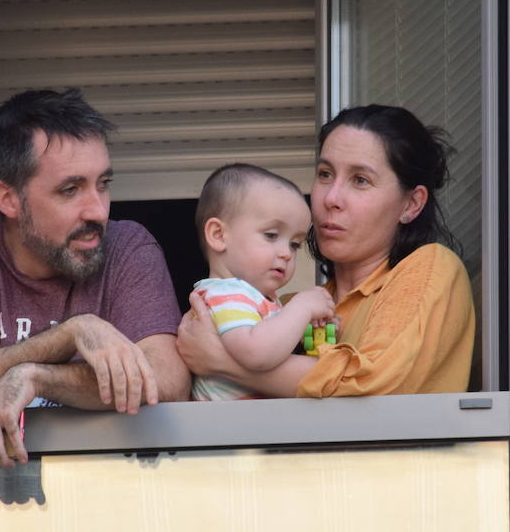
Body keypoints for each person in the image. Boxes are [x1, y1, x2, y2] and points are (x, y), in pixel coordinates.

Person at [0, 88, 190, 476]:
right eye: (70, 190)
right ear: (8, 198)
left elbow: (169, 380)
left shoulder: (128, 246)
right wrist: (72, 334)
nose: (98, 210)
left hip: (108, 484)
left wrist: (37, 377)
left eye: (104, 184)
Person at [177, 104, 474, 397]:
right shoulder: (290, 308)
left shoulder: (430, 266)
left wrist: (224, 363)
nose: (331, 198)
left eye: (360, 180)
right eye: (325, 174)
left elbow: (374, 383)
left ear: (411, 204)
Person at [189, 163, 337, 401]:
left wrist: (307, 332)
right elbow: (256, 353)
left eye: (294, 244)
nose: (287, 253)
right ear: (218, 235)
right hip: (226, 432)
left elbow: (271, 344)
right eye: (271, 235)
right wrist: (300, 309)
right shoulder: (225, 294)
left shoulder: (252, 297)